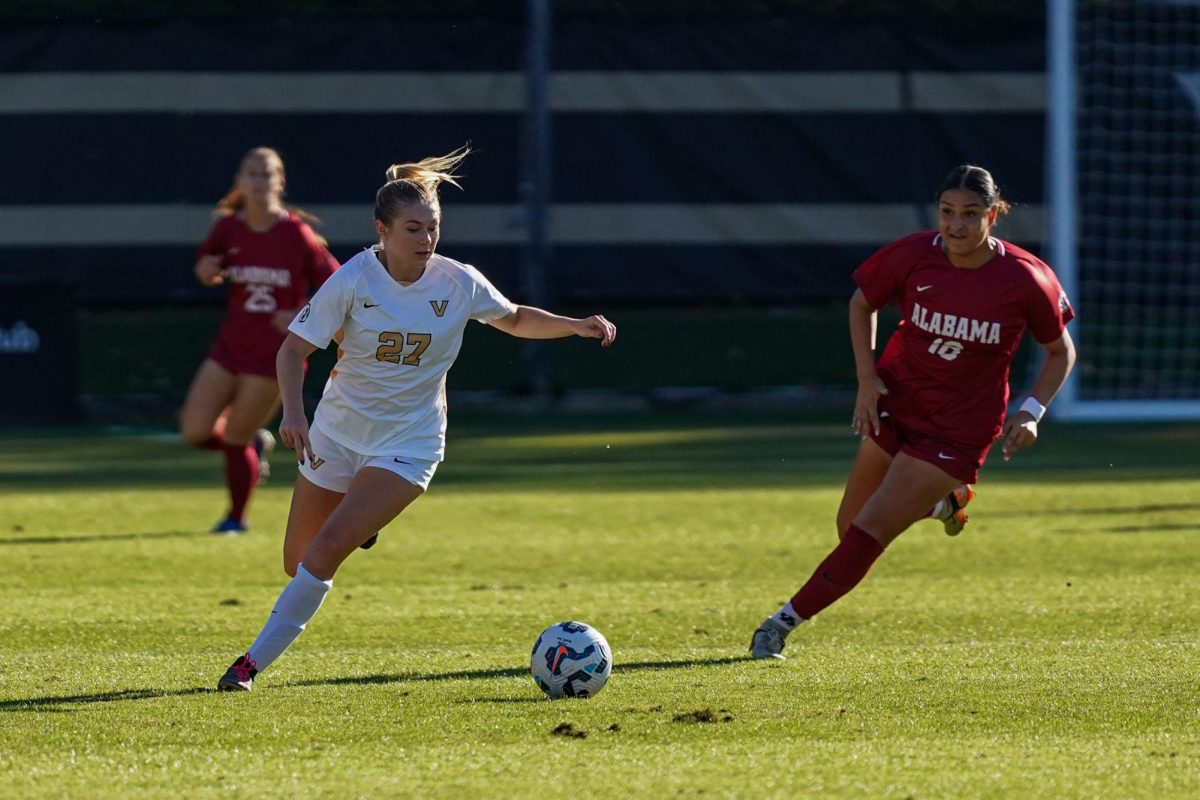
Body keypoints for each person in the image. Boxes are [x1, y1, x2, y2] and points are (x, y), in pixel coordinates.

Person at [216, 145, 617, 691]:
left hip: (409, 442)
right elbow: (291, 350)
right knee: (297, 562)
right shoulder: (354, 279)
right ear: (381, 230)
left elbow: (515, 318)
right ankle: (363, 523)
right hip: (336, 432)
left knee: (327, 550)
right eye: (412, 228)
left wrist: (573, 324)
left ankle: (249, 665)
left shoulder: (458, 281)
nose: (426, 240)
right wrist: (294, 412)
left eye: (432, 227)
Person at [749, 164, 1076, 660]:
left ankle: (778, 625)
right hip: (897, 405)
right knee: (849, 528)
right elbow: (862, 303)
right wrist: (866, 379)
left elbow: (1061, 351)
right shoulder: (914, 254)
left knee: (868, 533)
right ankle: (944, 504)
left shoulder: (1025, 277)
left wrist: (1031, 410)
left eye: (970, 214)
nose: (956, 225)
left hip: (959, 428)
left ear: (994, 215)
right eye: (948, 212)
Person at [179, 147, 340, 534]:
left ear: (280, 182)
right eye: (251, 174)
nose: (258, 181)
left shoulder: (296, 234)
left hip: (274, 355)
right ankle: (252, 450)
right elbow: (207, 266)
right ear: (239, 181)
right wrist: (205, 270)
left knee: (234, 435)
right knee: (195, 430)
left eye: (266, 174)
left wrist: (301, 315)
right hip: (231, 346)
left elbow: (336, 286)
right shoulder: (228, 227)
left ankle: (236, 517)